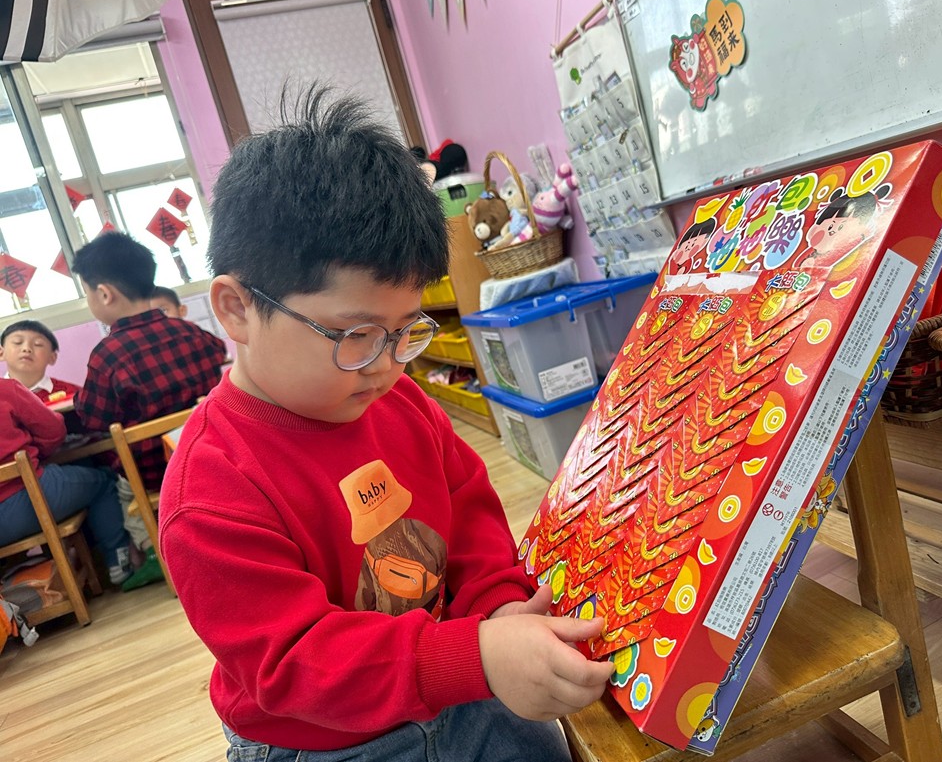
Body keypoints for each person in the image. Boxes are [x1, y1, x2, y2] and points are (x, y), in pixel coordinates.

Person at [159, 89, 613, 762]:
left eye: (404, 331)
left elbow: (469, 514)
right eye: (355, 334)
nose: (385, 364)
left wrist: (495, 608)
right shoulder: (210, 489)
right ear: (236, 310)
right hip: (322, 742)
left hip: (457, 681)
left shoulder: (398, 401)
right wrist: (474, 654)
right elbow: (296, 662)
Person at [71, 231, 226, 590]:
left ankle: (155, 552)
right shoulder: (190, 332)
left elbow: (93, 419)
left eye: (87, 293)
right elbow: (219, 354)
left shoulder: (107, 354)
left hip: (154, 473)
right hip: (213, 453)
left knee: (119, 485)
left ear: (104, 294)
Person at [0, 378, 134, 584]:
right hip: (26, 498)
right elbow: (53, 430)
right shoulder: (6, 389)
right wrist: (39, 454)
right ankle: (119, 561)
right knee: (103, 481)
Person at [1, 320, 81, 402]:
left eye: (38, 344)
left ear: (52, 357)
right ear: (1, 353)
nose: (27, 348)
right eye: (17, 342)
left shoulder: (74, 394)